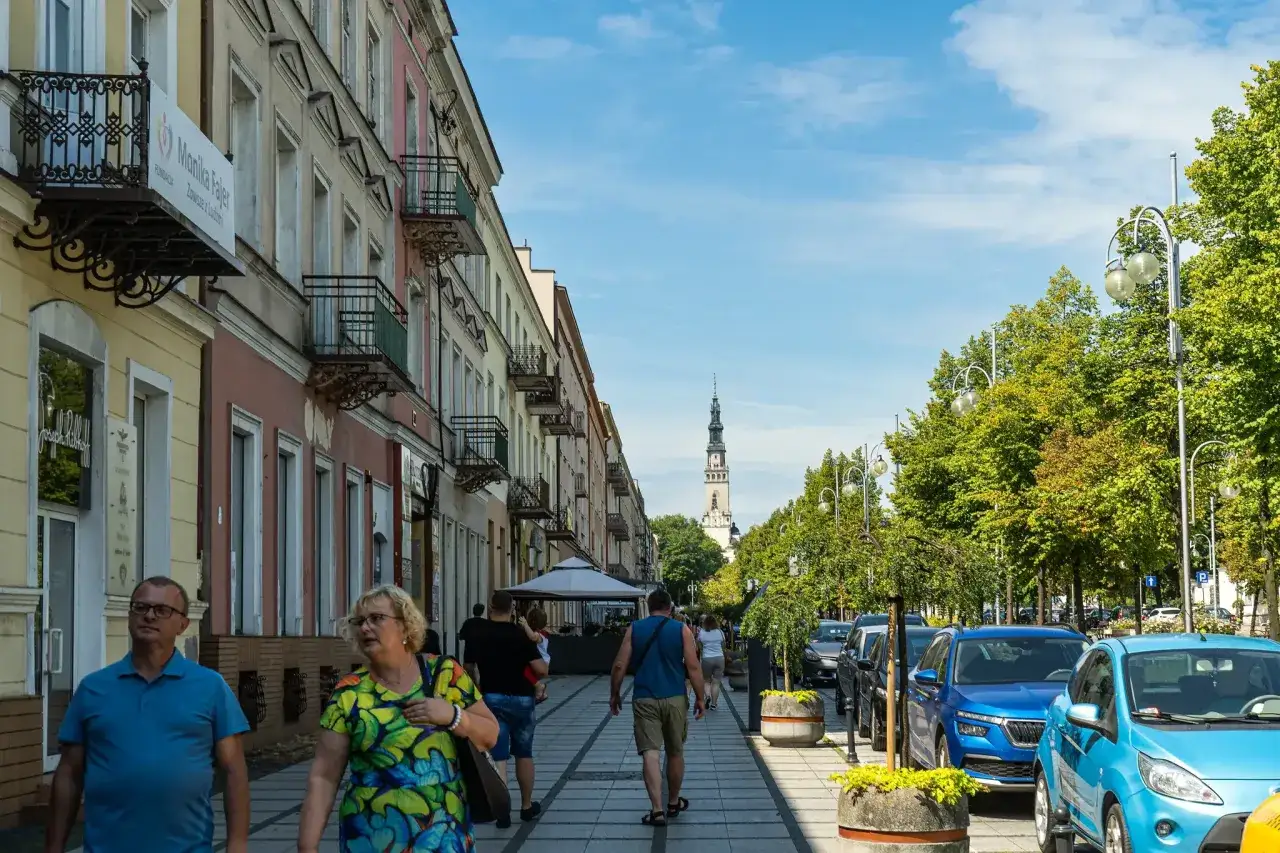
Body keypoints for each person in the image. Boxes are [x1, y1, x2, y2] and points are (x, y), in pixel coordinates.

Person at [44, 576, 251, 853]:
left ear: (182, 624)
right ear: (129, 616)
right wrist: (54, 846)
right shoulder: (94, 688)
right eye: (140, 607)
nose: (149, 616)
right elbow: (69, 773)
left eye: (162, 610)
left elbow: (234, 770)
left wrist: (237, 844)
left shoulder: (210, 687)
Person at [297, 585, 500, 853]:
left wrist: (453, 716)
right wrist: (307, 846)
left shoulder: (444, 674)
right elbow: (324, 777)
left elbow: (491, 734)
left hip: (443, 835)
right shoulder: (350, 693)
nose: (365, 628)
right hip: (370, 838)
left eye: (377, 618)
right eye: (360, 621)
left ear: (406, 627)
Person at [610, 588, 705, 828]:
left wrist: (615, 694)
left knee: (650, 753)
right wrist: (701, 698)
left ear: (649, 606)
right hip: (675, 697)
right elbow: (693, 667)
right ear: (670, 607)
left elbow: (620, 664)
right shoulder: (681, 629)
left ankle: (657, 810)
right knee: (675, 751)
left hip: (644, 697)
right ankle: (673, 802)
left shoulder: (635, 628)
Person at [464, 590, 547, 825]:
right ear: (512, 609)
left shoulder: (478, 634)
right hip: (522, 698)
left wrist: (478, 685)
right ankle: (527, 806)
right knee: (524, 752)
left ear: (490, 607)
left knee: (498, 756)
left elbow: (468, 667)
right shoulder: (520, 635)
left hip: (492, 698)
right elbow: (541, 669)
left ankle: (502, 812)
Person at [520, 607, 551, 703]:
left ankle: (539, 686)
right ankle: (540, 693)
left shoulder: (539, 635)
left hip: (541, 662)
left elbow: (533, 637)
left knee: (524, 670)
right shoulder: (543, 633)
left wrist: (525, 625)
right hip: (540, 661)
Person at [697, 615, 726, 710]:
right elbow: (723, 645)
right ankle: (714, 704)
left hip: (707, 659)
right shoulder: (720, 632)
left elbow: (699, 646)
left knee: (706, 681)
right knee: (716, 682)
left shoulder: (701, 632)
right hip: (719, 658)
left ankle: (708, 696)